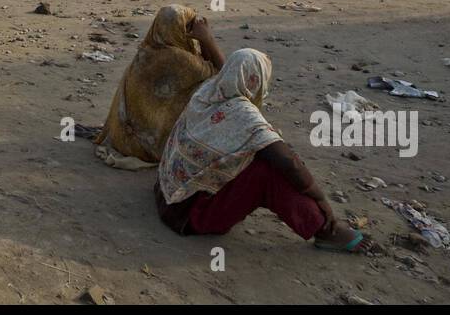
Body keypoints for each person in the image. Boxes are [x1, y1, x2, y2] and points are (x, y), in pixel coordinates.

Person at [155, 48, 372, 253]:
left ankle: (320, 224)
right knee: (267, 171)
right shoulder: (243, 114)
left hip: (168, 194)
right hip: (192, 215)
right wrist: (321, 198)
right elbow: (287, 161)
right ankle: (324, 229)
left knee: (265, 153)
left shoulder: (207, 92)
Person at [94, 5, 224, 169]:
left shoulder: (147, 49)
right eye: (189, 27)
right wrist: (207, 39)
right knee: (212, 92)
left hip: (122, 139)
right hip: (147, 147)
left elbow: (208, 67)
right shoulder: (178, 59)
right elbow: (224, 74)